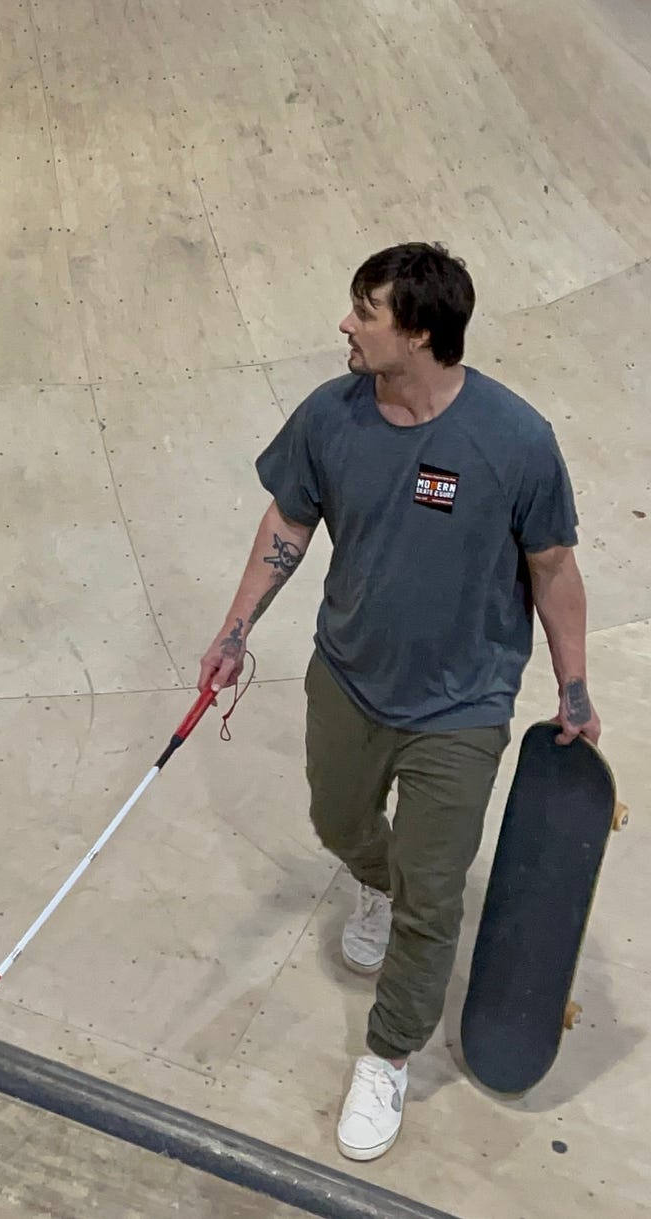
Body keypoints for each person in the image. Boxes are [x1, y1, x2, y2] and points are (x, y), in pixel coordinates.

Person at [198, 242, 596, 1161]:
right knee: (336, 818)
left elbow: (553, 568)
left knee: (433, 894)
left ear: (418, 333)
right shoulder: (332, 416)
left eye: (365, 312)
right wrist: (235, 629)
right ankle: (372, 876)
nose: (346, 323)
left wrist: (573, 683)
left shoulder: (516, 440)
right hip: (348, 673)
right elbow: (289, 520)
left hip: (461, 707)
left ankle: (389, 1054)